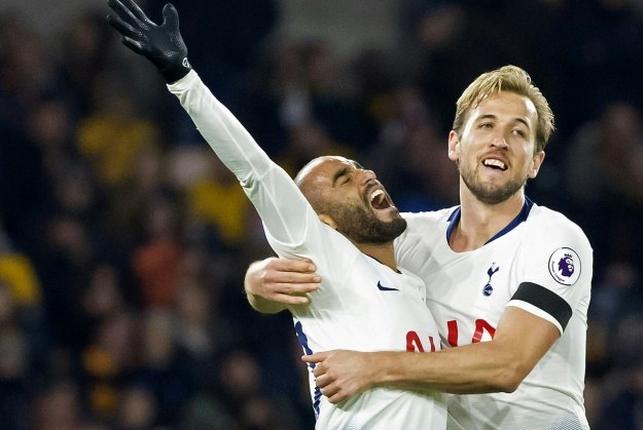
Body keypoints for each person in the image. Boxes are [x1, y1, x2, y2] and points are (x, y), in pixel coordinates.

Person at [105, 1, 447, 429]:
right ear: (323, 222)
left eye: (359, 168)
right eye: (343, 178)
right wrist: (182, 77)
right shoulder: (325, 255)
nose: (366, 176)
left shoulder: (417, 282)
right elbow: (255, 170)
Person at [247, 67, 593, 428]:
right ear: (454, 145)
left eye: (518, 132)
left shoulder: (554, 240)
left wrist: (374, 366)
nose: (500, 141)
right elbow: (313, 259)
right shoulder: (406, 238)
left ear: (535, 162)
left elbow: (508, 365)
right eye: (486, 125)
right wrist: (259, 284)